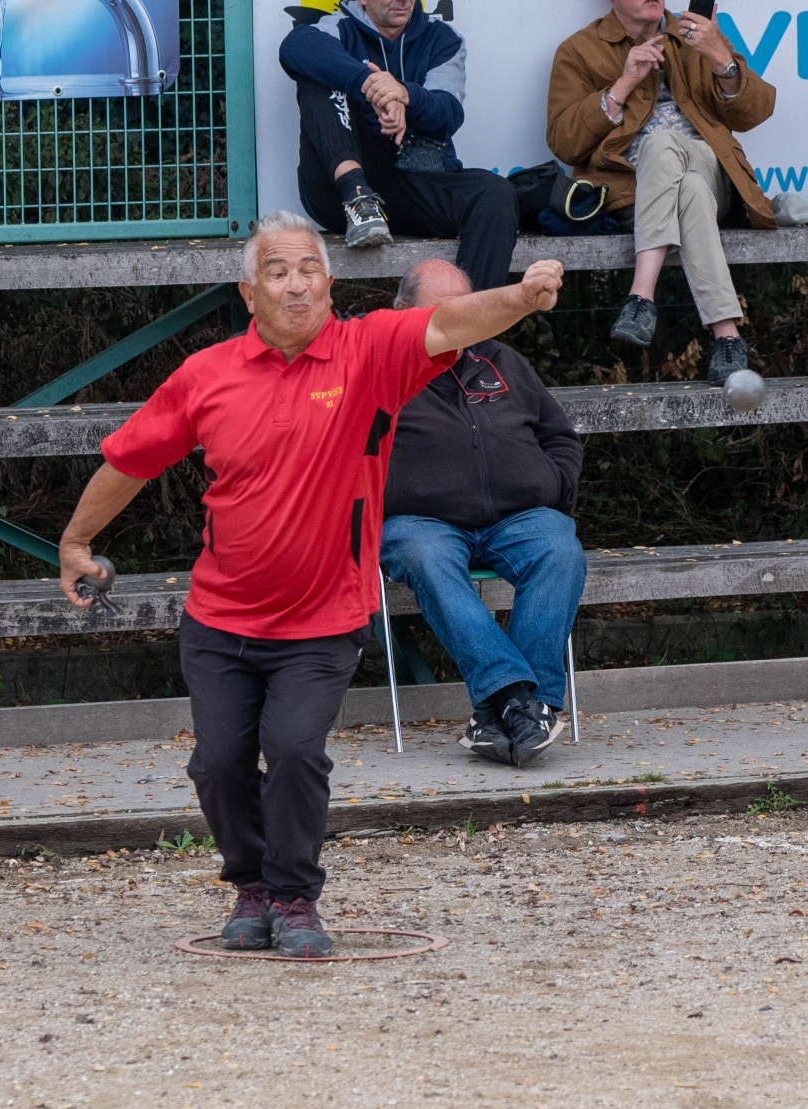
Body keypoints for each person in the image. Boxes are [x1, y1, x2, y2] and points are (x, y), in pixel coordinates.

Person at [58, 211, 564, 958]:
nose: (296, 285)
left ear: (329, 282)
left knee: (295, 750)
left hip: (324, 618)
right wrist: (75, 540)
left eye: (307, 270)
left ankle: (295, 897)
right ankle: (251, 885)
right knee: (220, 763)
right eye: (277, 271)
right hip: (221, 616)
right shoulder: (207, 375)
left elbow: (452, 320)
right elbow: (130, 459)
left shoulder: (371, 352)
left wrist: (521, 296)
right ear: (249, 291)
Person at [381, 259, 585, 768]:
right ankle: (521, 700)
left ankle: (506, 712)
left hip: (518, 517)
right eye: (437, 312)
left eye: (463, 310)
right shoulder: (377, 371)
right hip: (420, 521)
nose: (452, 323)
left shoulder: (504, 360)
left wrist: (553, 484)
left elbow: (559, 437)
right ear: (401, 312)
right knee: (424, 555)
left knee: (560, 547)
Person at [547, 0, 776, 386]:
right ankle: (728, 338)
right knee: (690, 190)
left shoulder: (697, 35)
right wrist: (622, 84)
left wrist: (722, 57)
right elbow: (564, 142)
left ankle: (641, 297)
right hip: (633, 189)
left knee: (662, 144)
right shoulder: (579, 49)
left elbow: (755, 112)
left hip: (711, 167)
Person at [278, 0, 520, 291]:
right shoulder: (339, 26)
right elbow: (295, 46)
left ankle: (470, 327)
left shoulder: (443, 38)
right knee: (317, 73)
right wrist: (372, 86)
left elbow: (448, 111)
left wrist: (405, 95)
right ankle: (358, 198)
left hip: (411, 179)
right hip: (342, 193)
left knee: (496, 193)